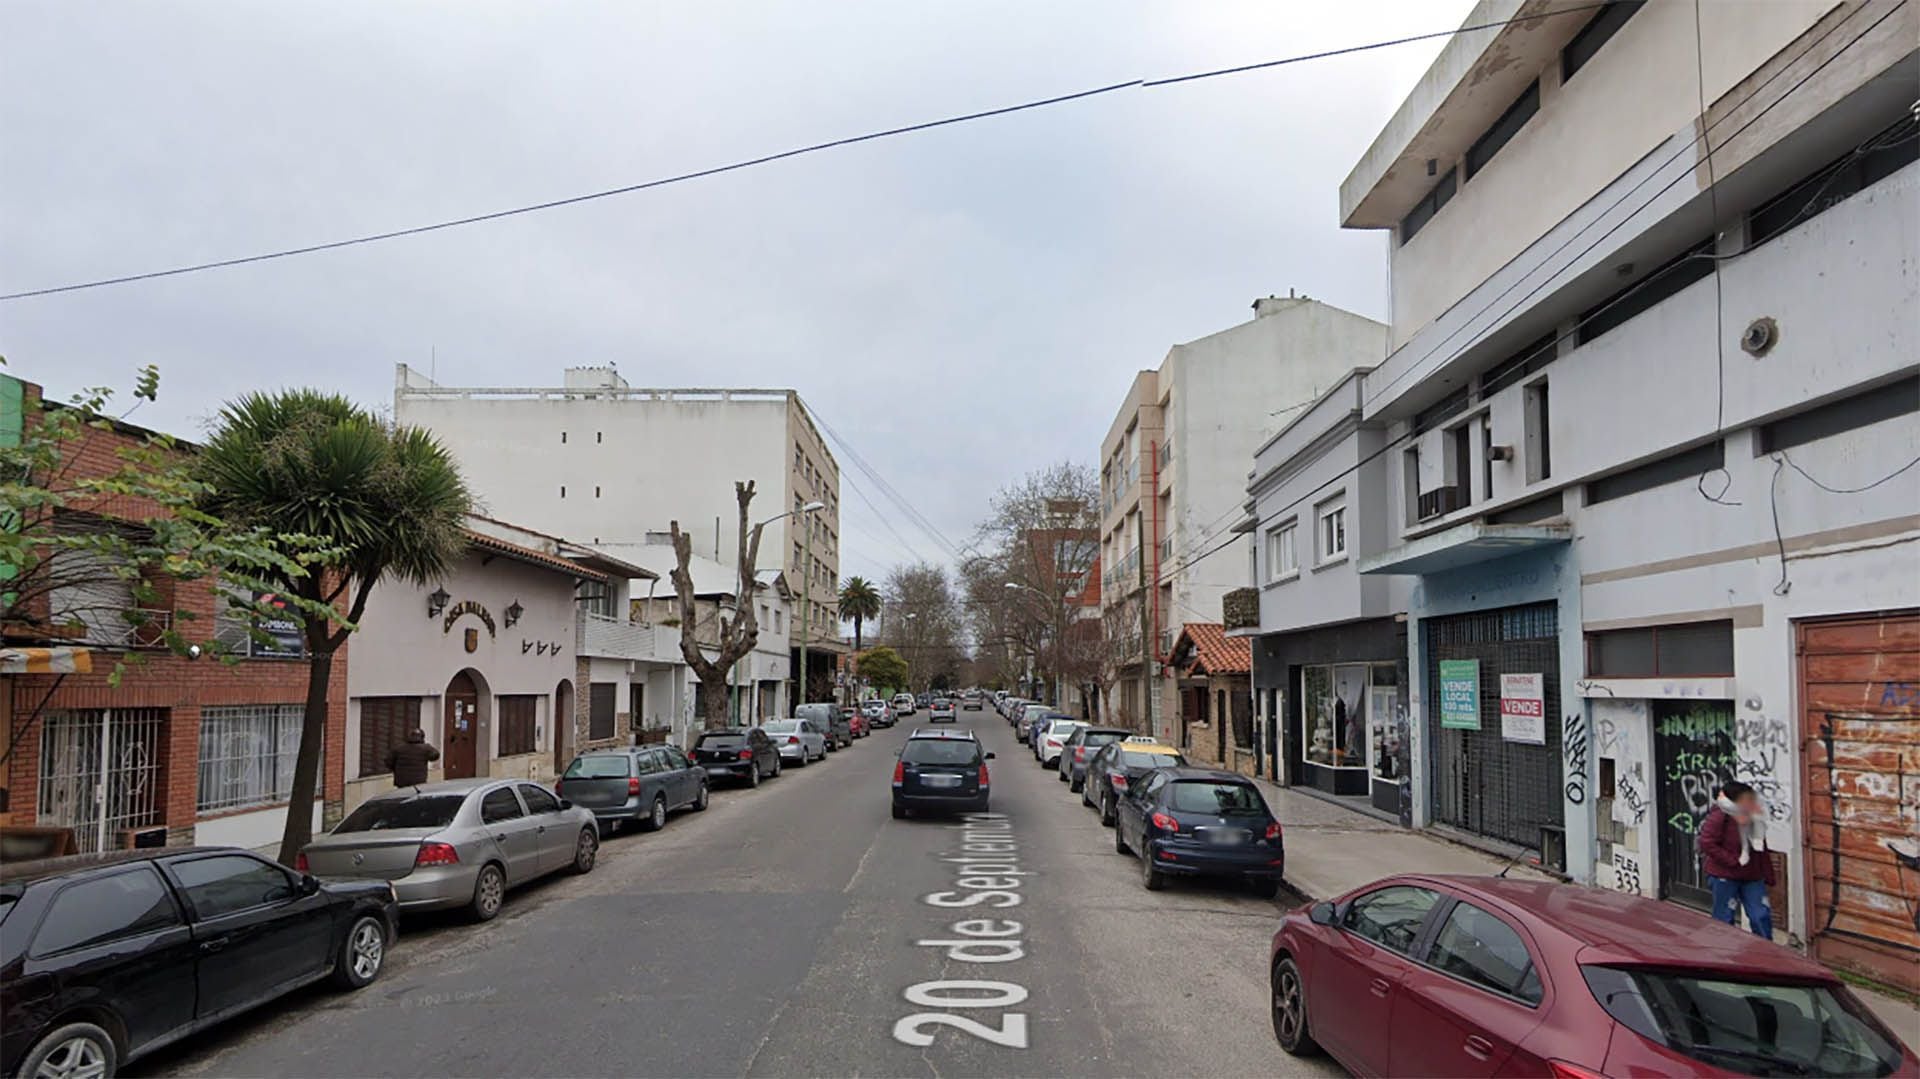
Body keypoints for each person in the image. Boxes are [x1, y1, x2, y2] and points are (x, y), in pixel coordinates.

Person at [1699, 779, 1774, 939]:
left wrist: (1767, 873)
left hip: (1752, 876)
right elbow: (1707, 842)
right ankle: (1724, 954)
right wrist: (1732, 860)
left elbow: (1761, 848)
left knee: (1760, 915)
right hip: (1724, 876)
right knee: (1724, 918)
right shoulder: (1720, 816)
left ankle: (1767, 953)